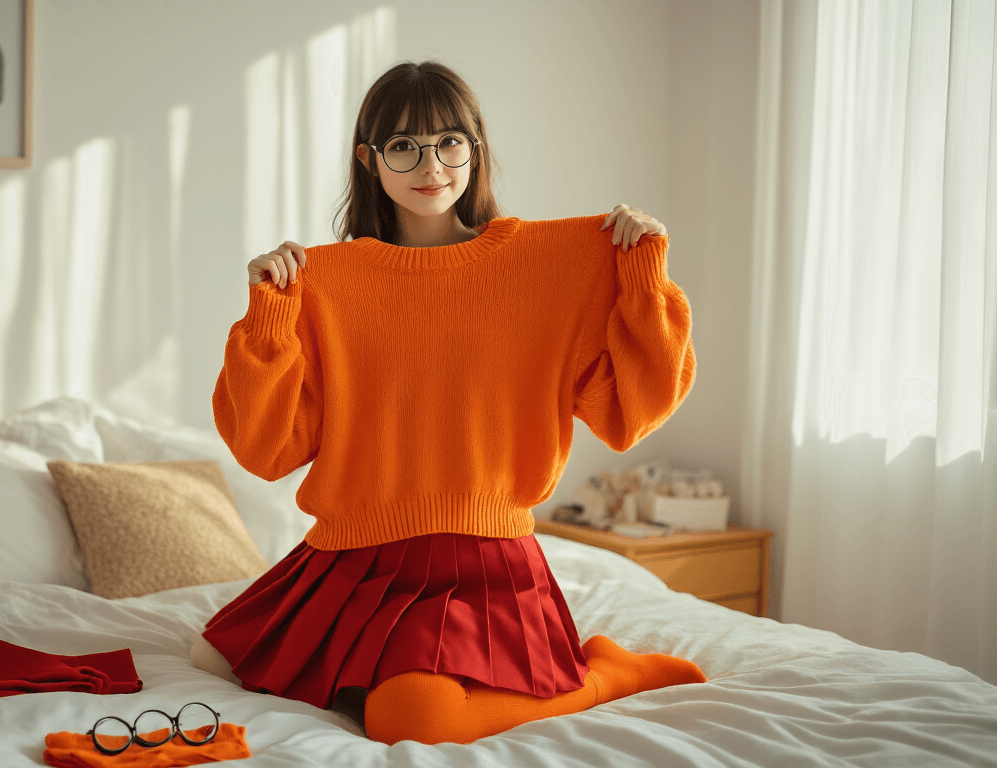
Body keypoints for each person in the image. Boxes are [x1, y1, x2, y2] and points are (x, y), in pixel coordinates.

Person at [191, 59, 705, 745]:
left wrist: (641, 272)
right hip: (356, 552)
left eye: (449, 141)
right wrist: (269, 318)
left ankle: (608, 675)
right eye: (404, 145)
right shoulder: (326, 283)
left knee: (410, 721)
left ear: (475, 149)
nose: (431, 164)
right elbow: (267, 446)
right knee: (208, 658)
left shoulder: (544, 266)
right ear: (369, 159)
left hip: (481, 558)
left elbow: (629, 412)